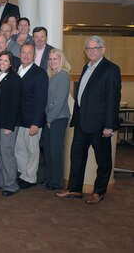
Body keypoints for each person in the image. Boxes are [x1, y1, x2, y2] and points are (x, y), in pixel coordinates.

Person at [56, 36, 121, 204]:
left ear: (103, 49)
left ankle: (99, 192)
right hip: (82, 123)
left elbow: (113, 100)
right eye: (88, 49)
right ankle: (75, 189)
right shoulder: (87, 67)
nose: (91, 51)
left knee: (103, 160)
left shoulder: (111, 69)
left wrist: (109, 125)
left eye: (95, 48)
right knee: (76, 156)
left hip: (100, 125)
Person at [14, 43, 48, 189]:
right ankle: (23, 174)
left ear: (34, 56)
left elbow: (41, 101)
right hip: (18, 120)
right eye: (23, 52)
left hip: (32, 121)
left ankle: (31, 177)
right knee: (19, 150)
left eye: (29, 53)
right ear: (20, 54)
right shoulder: (17, 70)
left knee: (32, 151)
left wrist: (36, 122)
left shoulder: (39, 73)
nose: (26, 56)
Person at [0, 51, 22, 196]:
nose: (2, 63)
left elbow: (15, 104)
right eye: (0, 60)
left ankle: (11, 185)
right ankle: (2, 180)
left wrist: (9, 126)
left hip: (7, 123)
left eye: (5, 61)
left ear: (11, 64)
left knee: (7, 153)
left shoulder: (14, 79)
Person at [43, 49, 71, 190]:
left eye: (56, 59)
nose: (52, 61)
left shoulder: (63, 75)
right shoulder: (52, 75)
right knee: (48, 150)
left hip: (58, 118)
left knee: (55, 151)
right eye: (51, 59)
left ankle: (56, 182)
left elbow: (59, 101)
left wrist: (49, 119)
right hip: (50, 118)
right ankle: (50, 178)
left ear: (62, 60)